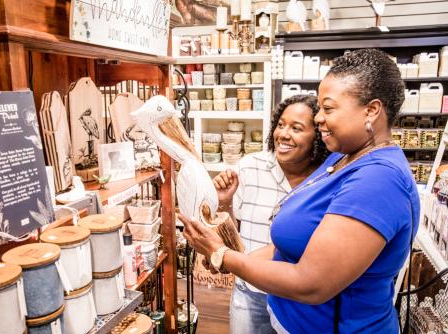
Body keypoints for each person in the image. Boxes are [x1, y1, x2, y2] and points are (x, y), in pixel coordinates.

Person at [180, 48, 420, 333]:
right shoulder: (340, 159)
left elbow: (311, 284)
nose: (318, 118)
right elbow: (289, 248)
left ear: (371, 110)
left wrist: (222, 254)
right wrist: (229, 261)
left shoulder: (380, 180)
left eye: (328, 108)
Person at [212, 95, 328, 334]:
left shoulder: (325, 179)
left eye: (296, 128)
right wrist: (225, 202)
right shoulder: (249, 167)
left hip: (297, 299)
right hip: (250, 292)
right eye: (281, 124)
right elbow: (231, 236)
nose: (283, 134)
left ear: (317, 136)